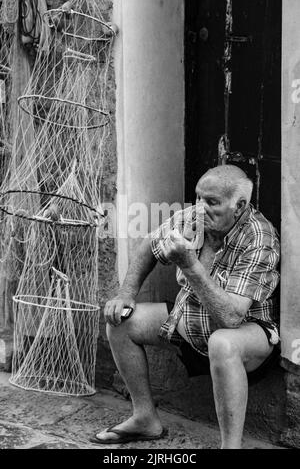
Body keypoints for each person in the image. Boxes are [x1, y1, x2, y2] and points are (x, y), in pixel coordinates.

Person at [92, 165, 280, 449]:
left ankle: (231, 447)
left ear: (239, 206)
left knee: (223, 342)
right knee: (121, 322)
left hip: (246, 336)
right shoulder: (194, 218)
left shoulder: (259, 237)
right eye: (199, 199)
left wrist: (190, 263)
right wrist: (126, 293)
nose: (201, 209)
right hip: (188, 324)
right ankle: (145, 419)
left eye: (212, 202)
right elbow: (150, 245)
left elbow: (230, 318)